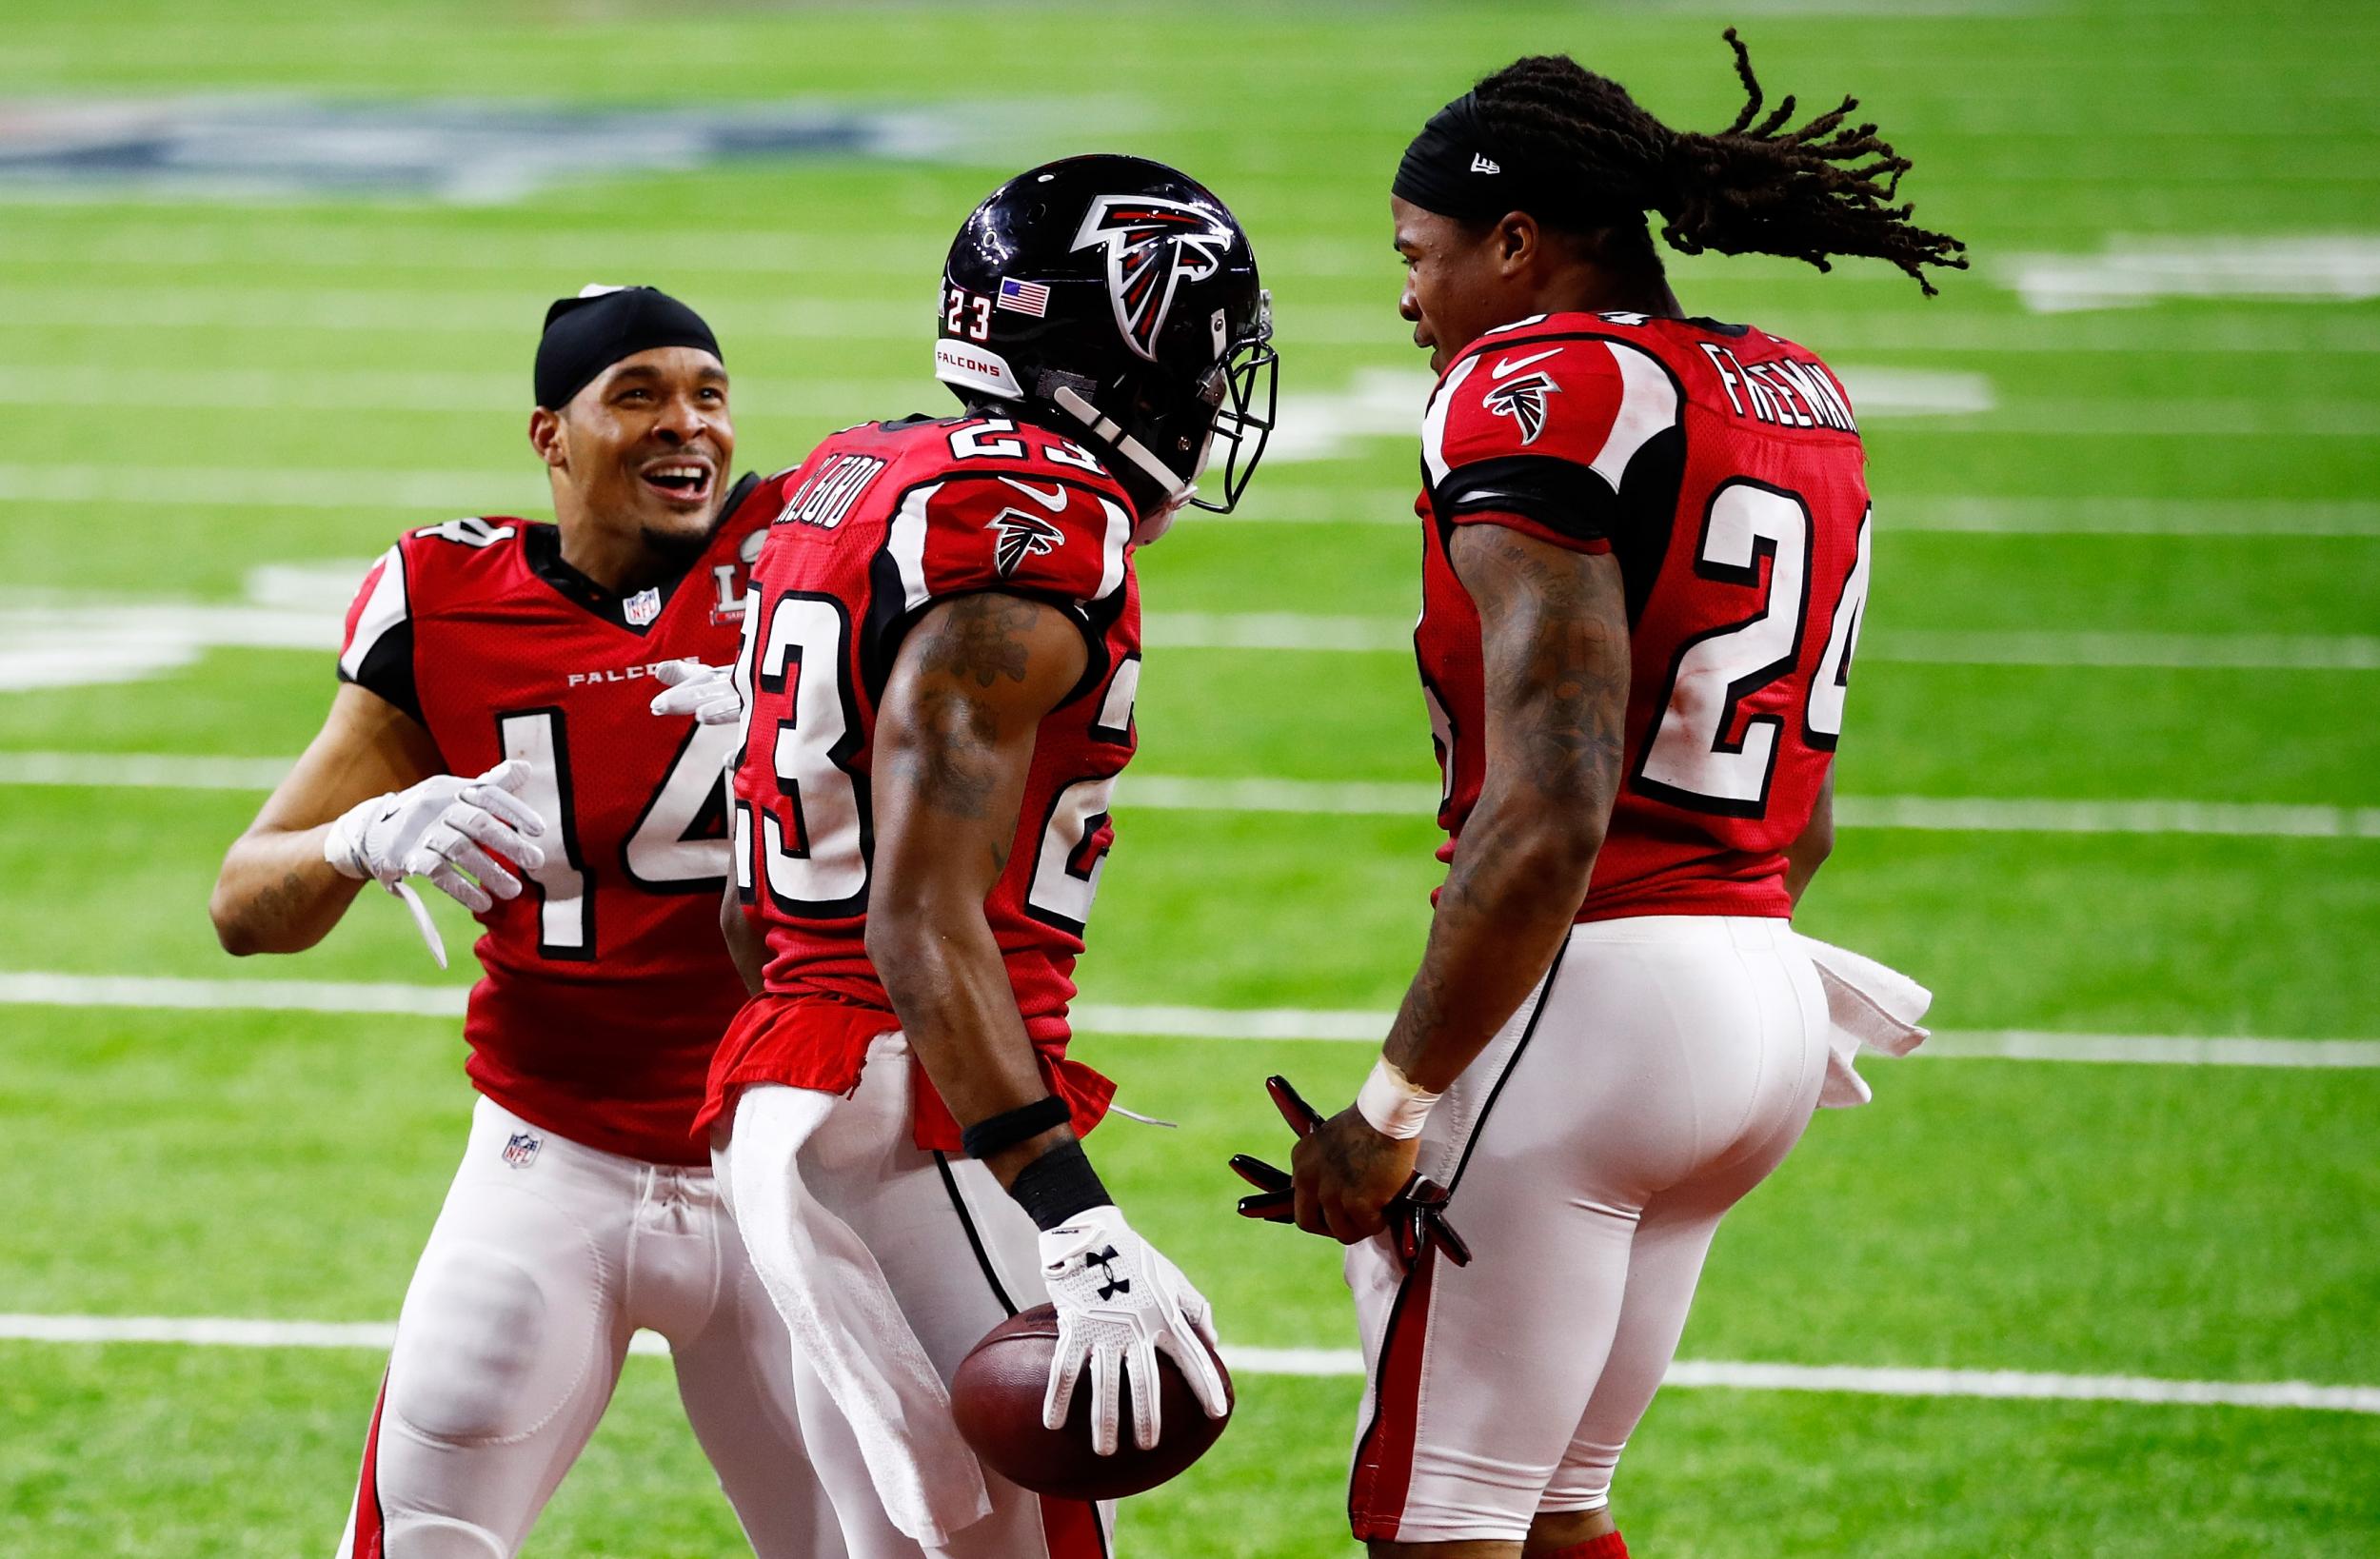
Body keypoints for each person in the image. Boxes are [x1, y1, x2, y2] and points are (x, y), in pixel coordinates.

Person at [1270, 36, 1958, 1559]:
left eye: (1421, 255)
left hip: (1599, 1005)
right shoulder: (1792, 384)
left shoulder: (1534, 385)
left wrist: (1388, 1112)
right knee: (1559, 1505)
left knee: (1440, 1525)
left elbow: (1555, 798)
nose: (1407, 296)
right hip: (1766, 985)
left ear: (1519, 245)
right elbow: (1810, 808)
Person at [672, 153, 1277, 1557]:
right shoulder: (1033, 524)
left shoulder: (848, 477)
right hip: (917, 1103)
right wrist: (1070, 1212)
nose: (1207, 388)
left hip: (798, 1086)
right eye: (1199, 346)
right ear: (1124, 337)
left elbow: (751, 913)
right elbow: (919, 913)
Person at [208, 285, 858, 1559]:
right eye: (640, 395)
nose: (689, 425)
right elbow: (245, 904)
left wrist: (812, 726)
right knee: (421, 1538)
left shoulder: (809, 557)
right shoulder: (443, 595)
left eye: (709, 394)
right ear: (549, 435)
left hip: (787, 1163)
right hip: (549, 1159)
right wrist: (360, 836)